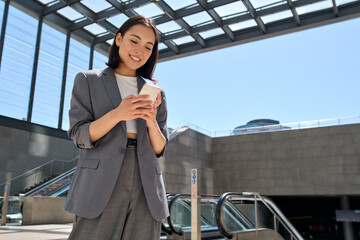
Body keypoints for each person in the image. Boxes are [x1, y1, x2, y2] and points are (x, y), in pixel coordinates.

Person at [64, 15, 169, 240]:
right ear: (119, 39)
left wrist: (151, 121)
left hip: (146, 180)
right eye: (134, 41)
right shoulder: (88, 80)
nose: (140, 50)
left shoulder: (156, 92)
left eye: (148, 47)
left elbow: (160, 148)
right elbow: (79, 134)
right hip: (101, 177)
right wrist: (118, 115)